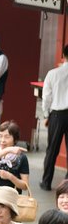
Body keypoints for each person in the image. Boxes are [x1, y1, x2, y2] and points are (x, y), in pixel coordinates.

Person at [40, 43, 68, 190]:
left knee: (52, 149)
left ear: (63, 55)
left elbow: (47, 97)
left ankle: (46, 182)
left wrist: (46, 114)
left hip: (57, 114)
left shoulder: (53, 73)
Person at [0, 121, 30, 195]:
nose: (2, 140)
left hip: (12, 197)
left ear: (15, 139)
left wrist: (10, 177)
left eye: (7, 137)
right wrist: (7, 150)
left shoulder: (21, 158)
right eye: (0, 136)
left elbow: (25, 186)